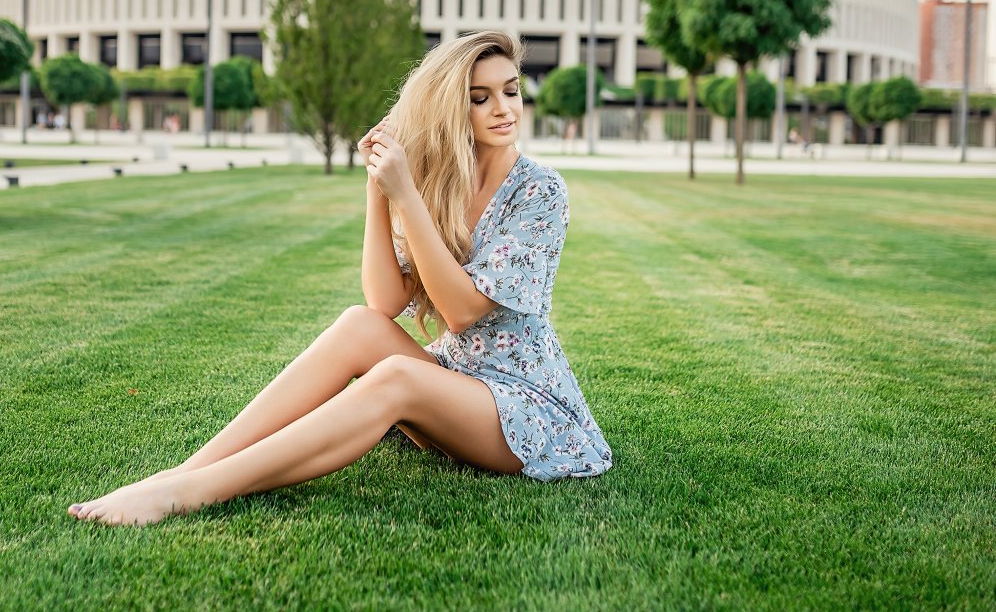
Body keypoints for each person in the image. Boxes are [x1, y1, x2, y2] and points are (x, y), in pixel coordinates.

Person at [67, 30, 614, 527]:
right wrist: (377, 189)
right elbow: (382, 303)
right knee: (357, 325)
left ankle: (190, 493)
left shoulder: (541, 190)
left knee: (398, 376)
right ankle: (184, 471)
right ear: (452, 109)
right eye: (480, 97)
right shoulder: (446, 185)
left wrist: (406, 195)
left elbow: (462, 312)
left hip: (523, 409)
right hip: (458, 383)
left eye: (511, 91)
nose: (503, 108)